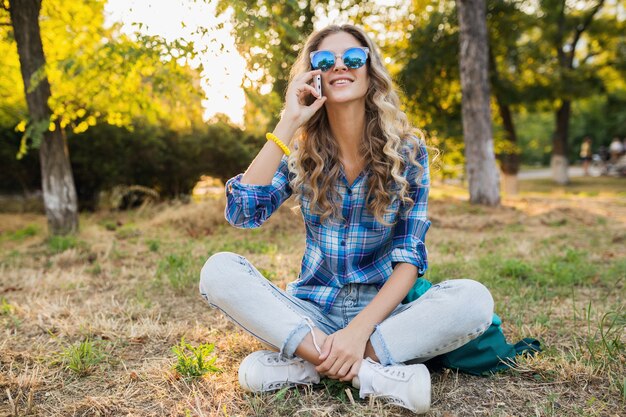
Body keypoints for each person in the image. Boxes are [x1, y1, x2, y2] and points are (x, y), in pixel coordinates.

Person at [199, 24, 494, 414]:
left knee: (474, 300)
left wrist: (359, 331)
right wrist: (288, 121)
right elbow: (242, 212)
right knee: (219, 270)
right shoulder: (301, 153)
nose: (340, 66)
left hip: (382, 314)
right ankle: (371, 374)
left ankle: (312, 364)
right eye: (325, 60)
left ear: (371, 71)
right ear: (314, 74)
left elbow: (410, 257)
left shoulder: (408, 151)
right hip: (312, 309)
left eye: (354, 58)